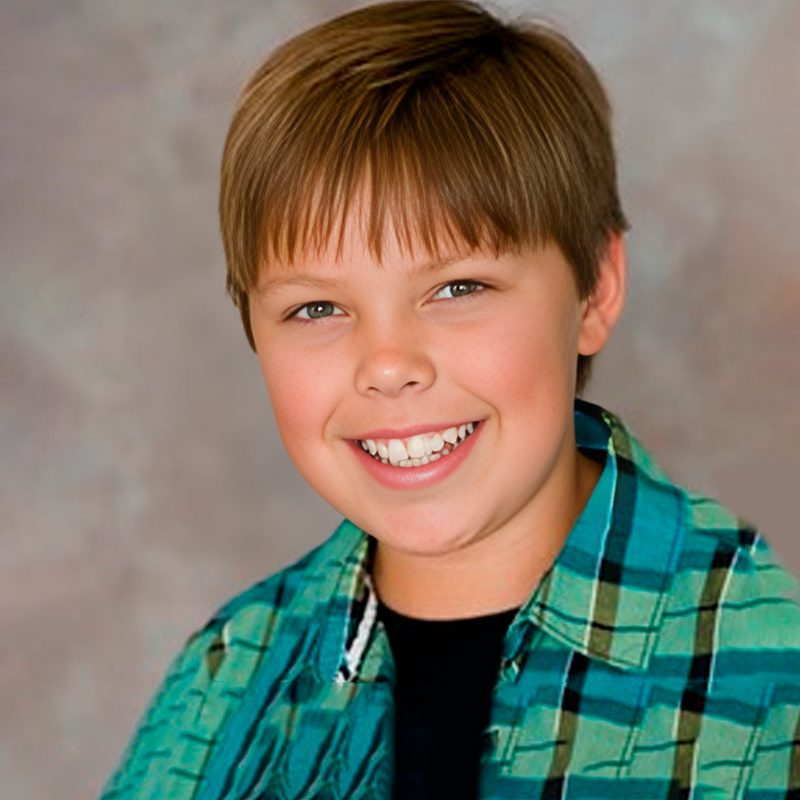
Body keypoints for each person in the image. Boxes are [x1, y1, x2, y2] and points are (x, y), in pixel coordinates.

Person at [99, 2, 800, 798]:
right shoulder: (220, 685)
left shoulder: (776, 668)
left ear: (596, 289)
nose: (388, 365)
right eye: (317, 308)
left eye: (458, 288)